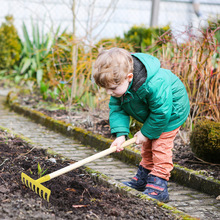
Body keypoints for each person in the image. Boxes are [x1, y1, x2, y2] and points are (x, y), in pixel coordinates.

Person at [93, 47, 190, 203]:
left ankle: (159, 185)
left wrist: (145, 133)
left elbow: (162, 112)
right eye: (106, 89)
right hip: (155, 113)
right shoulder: (119, 86)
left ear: (129, 77)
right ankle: (144, 177)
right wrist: (121, 135)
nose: (109, 93)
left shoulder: (153, 83)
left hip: (172, 112)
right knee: (147, 145)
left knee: (160, 146)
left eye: (112, 89)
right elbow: (118, 109)